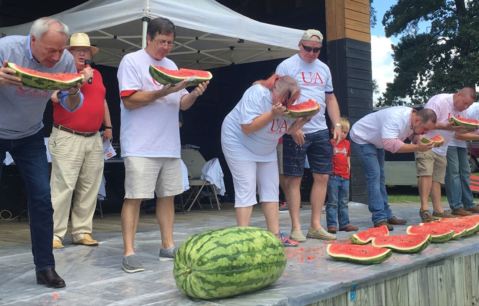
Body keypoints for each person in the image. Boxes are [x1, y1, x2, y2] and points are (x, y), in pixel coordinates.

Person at [0, 17, 92, 288]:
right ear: (33, 40)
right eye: (50, 50)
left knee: (42, 198)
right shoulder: (6, 49)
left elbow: (71, 104)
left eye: (60, 49)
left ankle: (45, 267)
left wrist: (73, 89)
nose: (56, 57)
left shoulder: (64, 61)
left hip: (30, 135)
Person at [117, 17, 208, 273]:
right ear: (149, 38)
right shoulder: (132, 61)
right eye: (161, 42)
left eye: (170, 43)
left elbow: (181, 104)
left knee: (167, 197)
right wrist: (163, 91)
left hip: (168, 144)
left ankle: (167, 245)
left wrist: (194, 94)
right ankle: (129, 252)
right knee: (134, 197)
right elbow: (130, 101)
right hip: (140, 145)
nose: (166, 47)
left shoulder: (171, 65)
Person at [221, 74, 311, 247]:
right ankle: (243, 238)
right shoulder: (256, 94)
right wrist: (272, 114)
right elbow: (247, 128)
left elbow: (288, 130)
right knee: (246, 187)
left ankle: (275, 235)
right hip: (238, 142)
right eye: (290, 99)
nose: (292, 104)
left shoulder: (290, 105)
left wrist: (302, 120)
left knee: (270, 188)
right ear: (279, 93)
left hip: (266, 147)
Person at [275, 29, 344, 242]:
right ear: (299, 45)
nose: (312, 53)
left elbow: (330, 99)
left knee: (322, 176)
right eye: (308, 49)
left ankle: (315, 225)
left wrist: (338, 123)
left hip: (320, 129)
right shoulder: (286, 66)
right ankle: (296, 227)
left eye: (316, 50)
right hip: (295, 129)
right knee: (294, 179)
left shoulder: (324, 68)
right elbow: (278, 100)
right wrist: (292, 127)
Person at [50, 33, 113, 249]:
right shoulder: (61, 73)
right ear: (68, 53)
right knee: (63, 185)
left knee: (90, 185)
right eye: (78, 50)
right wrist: (81, 81)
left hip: (93, 137)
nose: (83, 53)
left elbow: (102, 101)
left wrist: (108, 126)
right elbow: (54, 97)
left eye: (86, 51)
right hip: (68, 135)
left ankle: (82, 231)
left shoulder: (97, 74)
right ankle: (55, 233)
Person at [350, 107, 437, 230]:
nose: (425, 132)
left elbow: (413, 134)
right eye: (425, 129)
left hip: (376, 141)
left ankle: (387, 214)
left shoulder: (413, 121)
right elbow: (391, 145)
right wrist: (418, 147)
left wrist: (420, 140)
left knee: (381, 177)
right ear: (417, 120)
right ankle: (379, 218)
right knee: (374, 176)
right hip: (362, 138)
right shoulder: (396, 118)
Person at [417, 87, 476, 222]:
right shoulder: (439, 101)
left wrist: (472, 133)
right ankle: (424, 209)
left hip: (443, 148)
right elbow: (424, 122)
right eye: (465, 103)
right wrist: (447, 126)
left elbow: (458, 134)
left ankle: (438, 210)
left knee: (437, 180)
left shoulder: (463, 111)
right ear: (458, 94)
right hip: (427, 144)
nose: (465, 107)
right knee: (426, 175)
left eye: (469, 105)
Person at [325, 117, 358, 233]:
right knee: (333, 202)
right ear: (332, 130)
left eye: (346, 132)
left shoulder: (348, 144)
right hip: (333, 176)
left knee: (344, 202)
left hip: (345, 177)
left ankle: (344, 223)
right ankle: (332, 224)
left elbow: (347, 157)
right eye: (341, 131)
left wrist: (349, 169)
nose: (343, 134)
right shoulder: (330, 143)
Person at [446, 102, 479, 215]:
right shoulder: (472, 110)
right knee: (453, 173)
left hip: (462, 144)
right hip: (449, 141)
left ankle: (469, 204)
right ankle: (456, 206)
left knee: (465, 172)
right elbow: (457, 134)